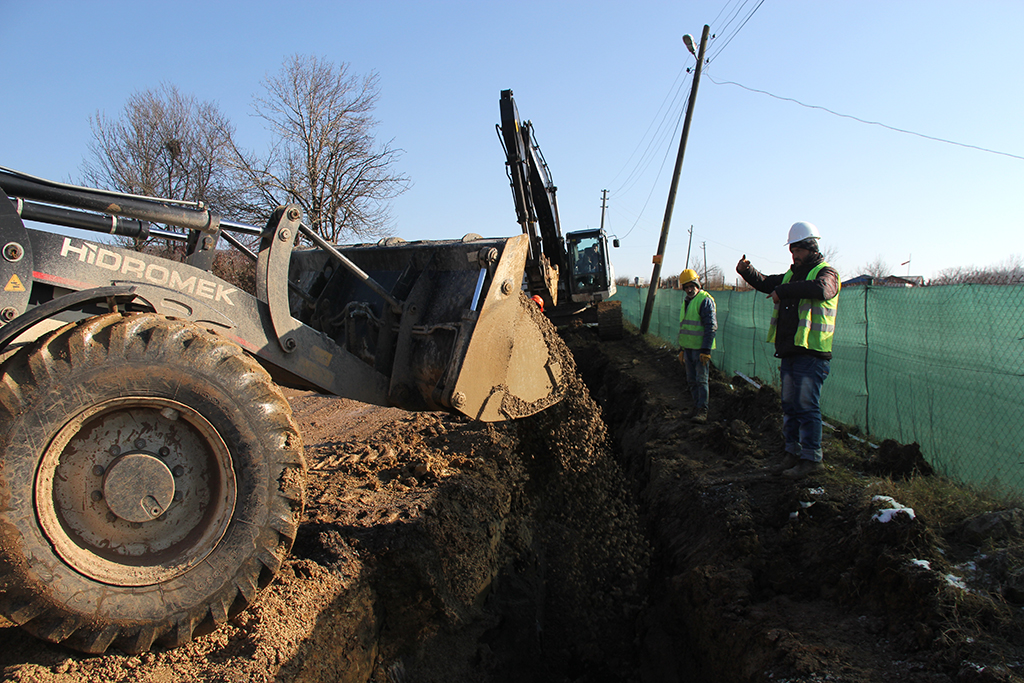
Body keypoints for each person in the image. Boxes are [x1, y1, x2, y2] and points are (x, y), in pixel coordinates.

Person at [735, 222, 840, 479]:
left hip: (812, 353)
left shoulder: (826, 273)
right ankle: (792, 454)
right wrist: (747, 272)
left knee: (806, 405)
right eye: (791, 249)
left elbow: (820, 290)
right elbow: (767, 283)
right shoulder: (791, 276)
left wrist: (783, 290)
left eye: (798, 249)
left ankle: (812, 459)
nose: (794, 254)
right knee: (790, 406)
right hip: (791, 351)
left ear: (811, 247)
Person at [676, 268, 717, 424]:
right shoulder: (687, 302)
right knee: (692, 381)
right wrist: (681, 349)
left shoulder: (705, 300)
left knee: (701, 380)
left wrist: (706, 350)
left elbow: (710, 326)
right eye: (686, 287)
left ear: (697, 284)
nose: (689, 289)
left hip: (700, 350)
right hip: (688, 349)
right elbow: (685, 328)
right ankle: (696, 407)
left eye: (691, 286)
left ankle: (702, 410)